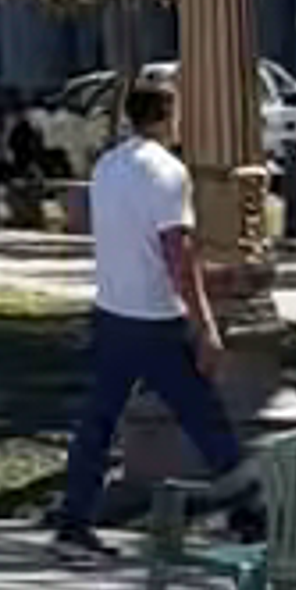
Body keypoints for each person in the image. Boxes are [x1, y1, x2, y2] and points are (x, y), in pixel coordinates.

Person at [47, 95, 249, 552]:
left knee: (97, 423)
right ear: (167, 117)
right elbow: (177, 255)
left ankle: (73, 522)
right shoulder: (168, 173)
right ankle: (250, 515)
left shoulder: (106, 168)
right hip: (157, 319)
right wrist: (207, 327)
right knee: (205, 418)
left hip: (111, 312)